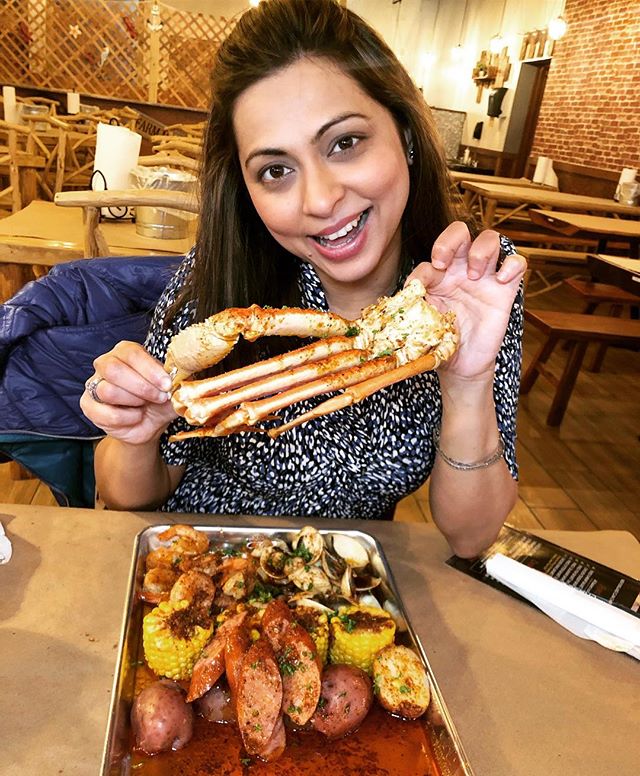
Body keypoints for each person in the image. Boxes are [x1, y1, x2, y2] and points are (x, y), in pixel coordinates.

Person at [81, 0, 526, 558]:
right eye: (276, 171)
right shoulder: (225, 271)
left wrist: (466, 384)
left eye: (345, 143)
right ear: (246, 189)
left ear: (406, 133)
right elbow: (125, 497)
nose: (320, 200)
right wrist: (136, 434)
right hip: (199, 565)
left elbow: (472, 536)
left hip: (345, 584)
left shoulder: (470, 281)